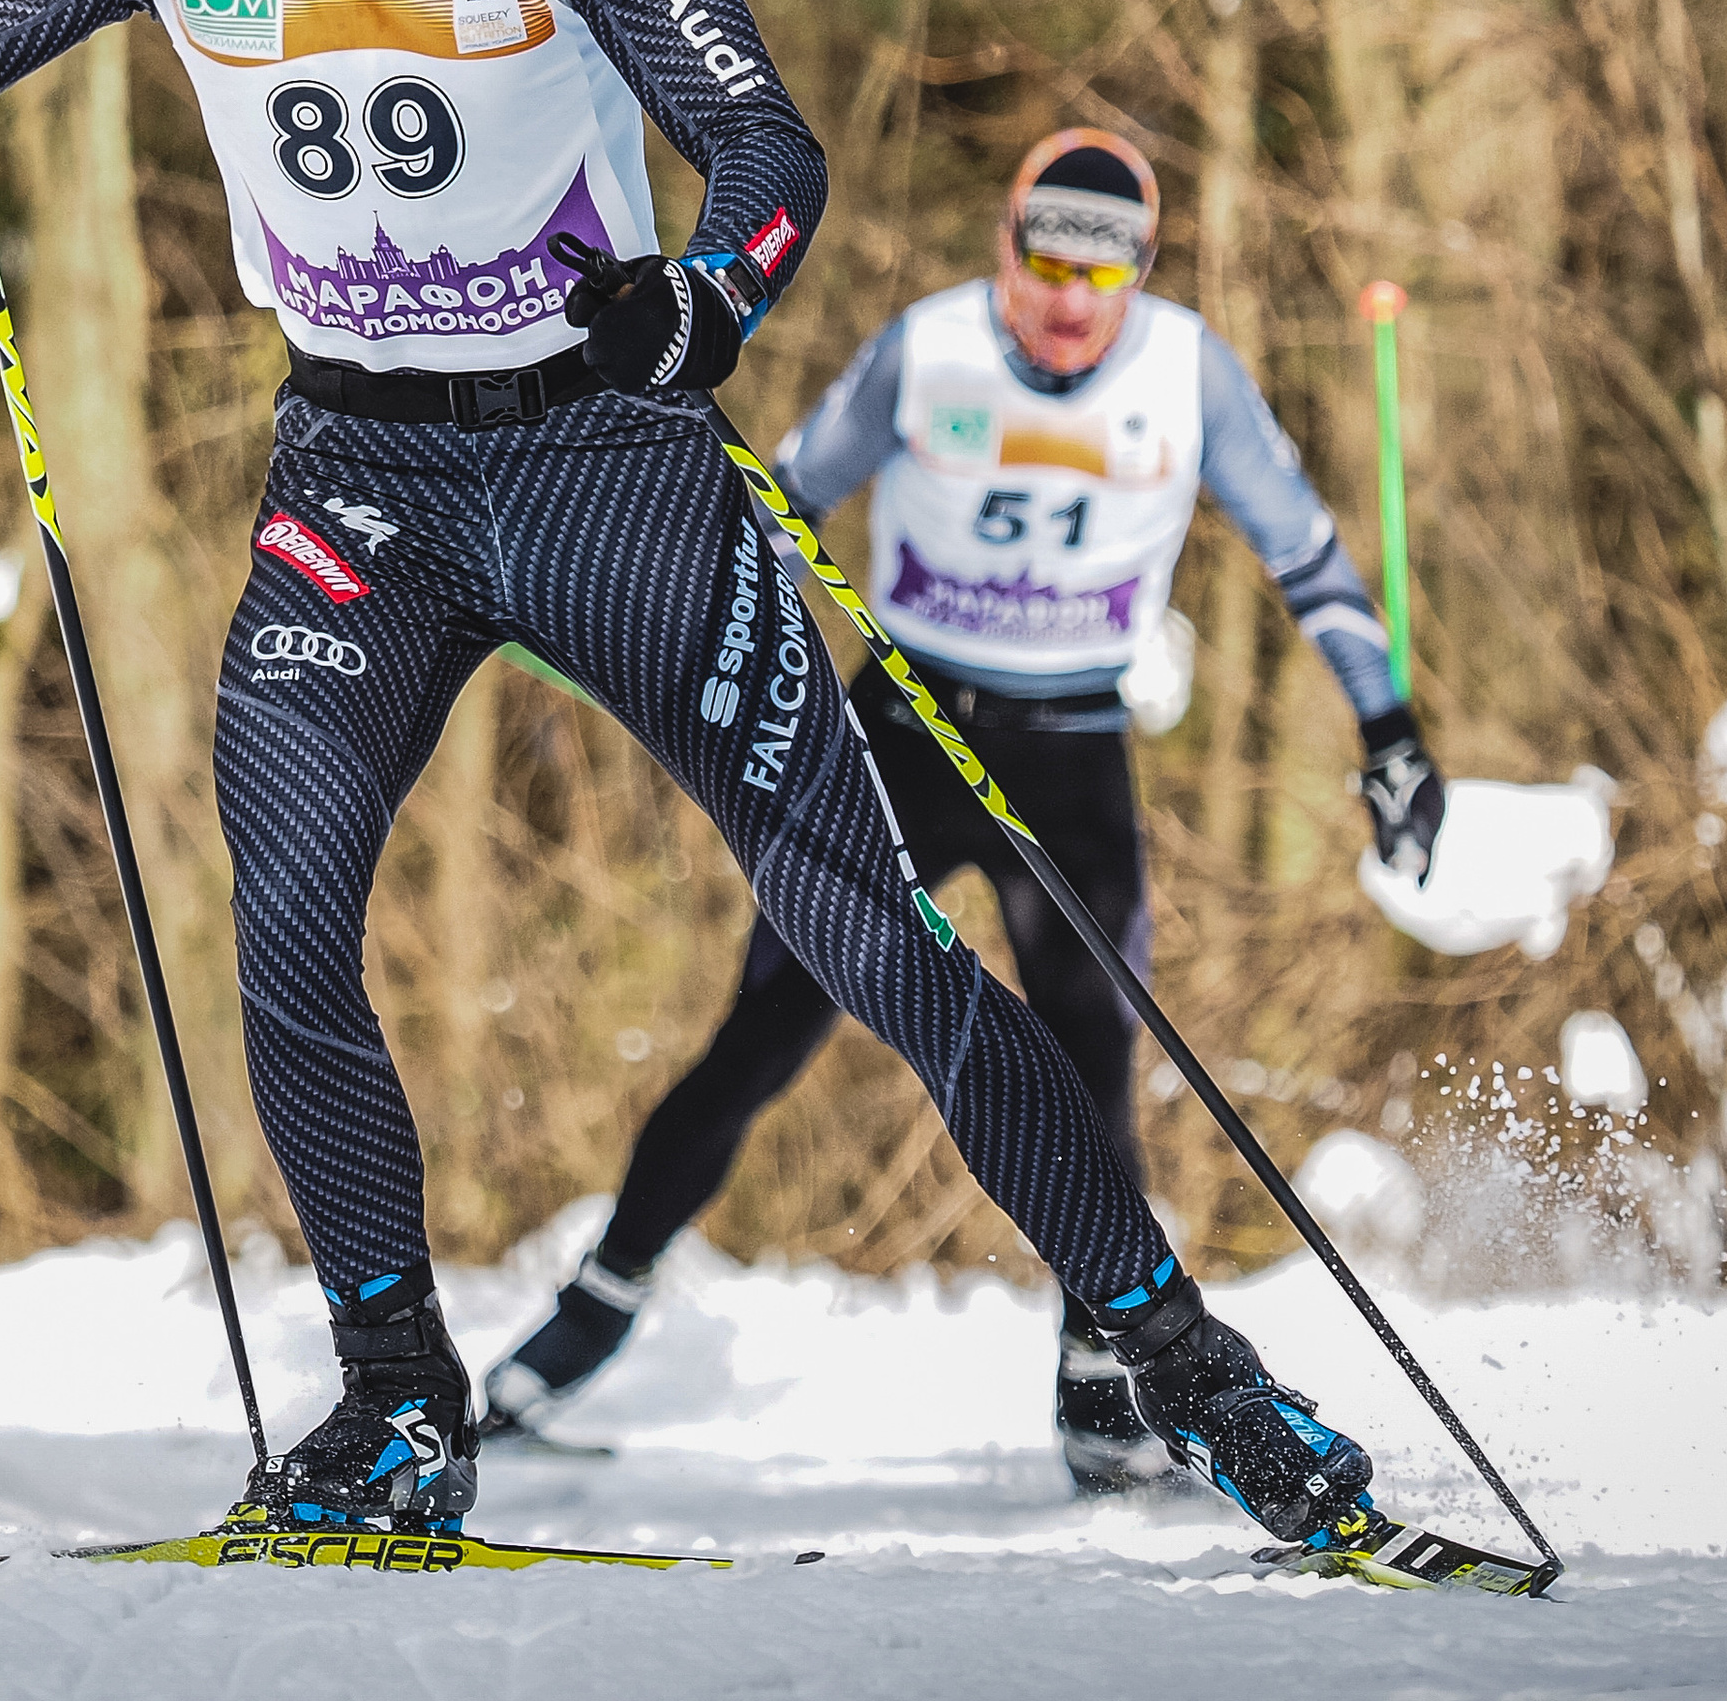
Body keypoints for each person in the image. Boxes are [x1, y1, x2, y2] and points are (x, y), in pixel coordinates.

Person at [0, 0, 1403, 1560]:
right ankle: (399, 1404)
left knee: (866, 936)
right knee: (283, 926)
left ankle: (1190, 1370)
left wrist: (702, 303)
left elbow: (766, 151)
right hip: (359, 477)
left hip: (603, 464)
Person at [483, 130, 1448, 1493]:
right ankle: (593, 1309)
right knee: (768, 1027)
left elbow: (1309, 556)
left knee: (1091, 1064)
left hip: (1073, 750)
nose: (1067, 301)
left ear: (1142, 272)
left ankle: (1101, 1379)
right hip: (905, 728)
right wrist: (637, 605)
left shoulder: (1187, 374)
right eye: (1045, 262)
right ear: (1006, 244)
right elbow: (777, 504)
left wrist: (1390, 731)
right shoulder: (927, 350)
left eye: (1102, 273)